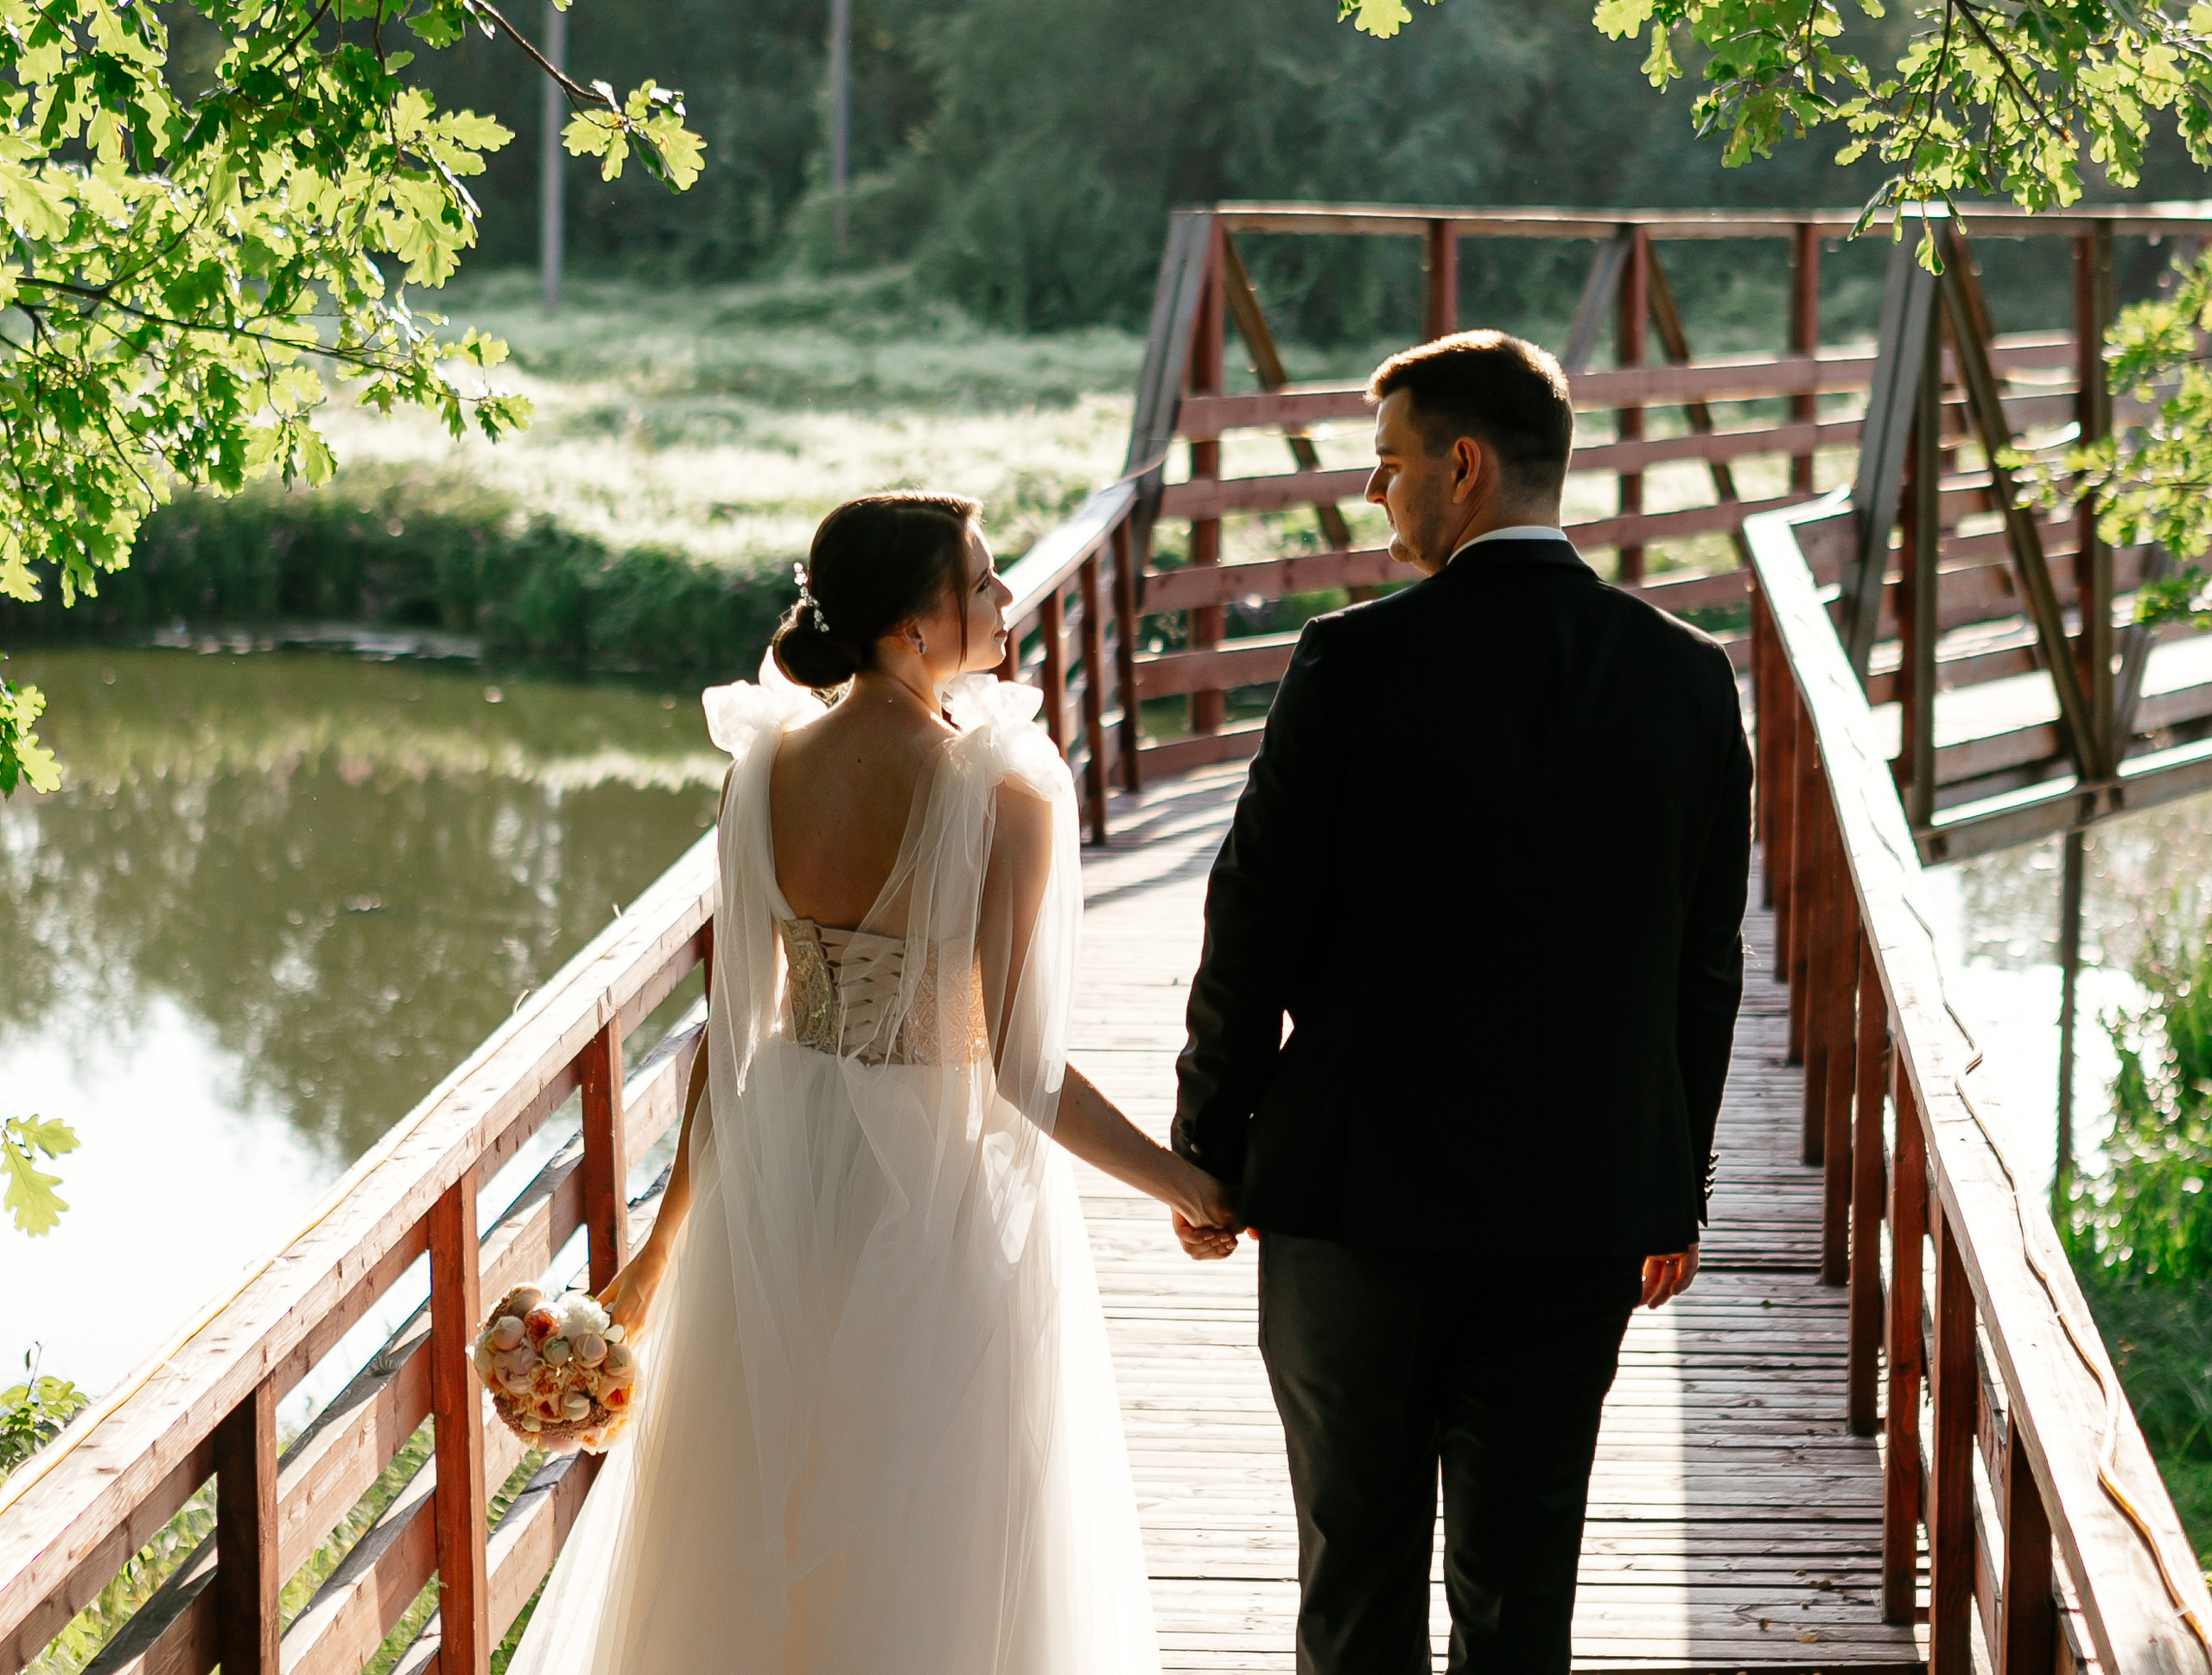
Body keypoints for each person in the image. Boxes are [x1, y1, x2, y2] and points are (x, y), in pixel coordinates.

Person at [512, 491, 1239, 1675]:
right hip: (928, 1190)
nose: (1008, 601)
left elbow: (728, 1037)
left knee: (760, 1500)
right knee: (930, 1518)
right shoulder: (995, 790)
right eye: (987, 581)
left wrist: (658, 1250)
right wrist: (1183, 1182)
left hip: (781, 1163)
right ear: (915, 623)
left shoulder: (766, 769)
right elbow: (1019, 1067)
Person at [1171, 330, 1751, 1675]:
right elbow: (1704, 960)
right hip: (1583, 1204)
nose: (1379, 499)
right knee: (1521, 1592)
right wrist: (1675, 1188)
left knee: (1357, 1575)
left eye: (1388, 468)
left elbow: (1249, 926)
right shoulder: (1683, 676)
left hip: (1359, 1200)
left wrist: (1211, 1147)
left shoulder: (1350, 662)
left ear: (1465, 467)